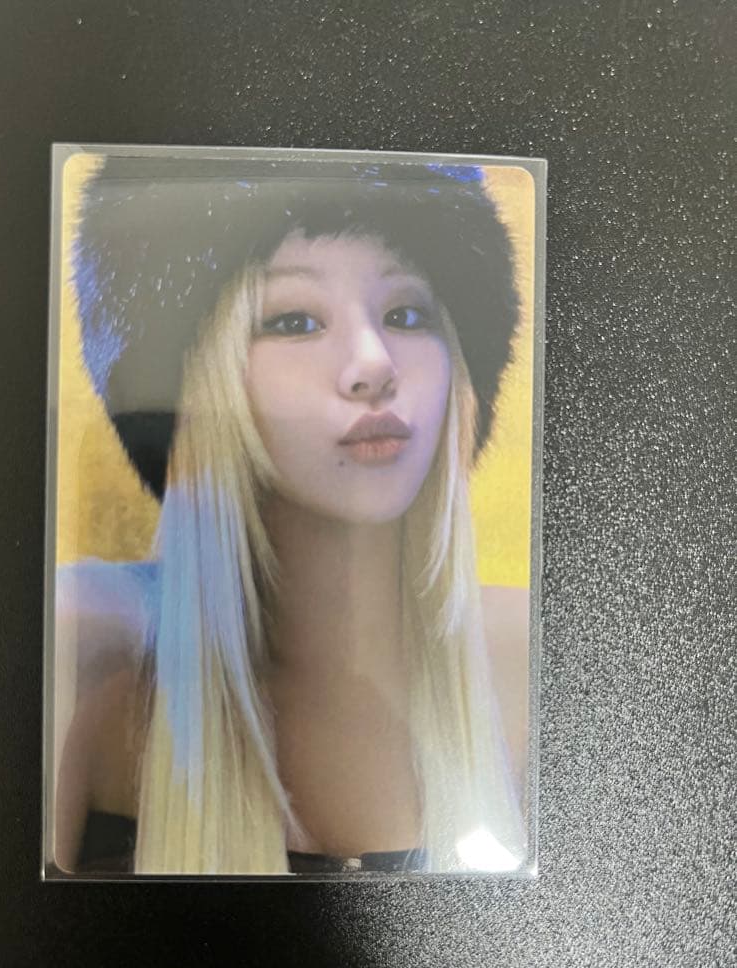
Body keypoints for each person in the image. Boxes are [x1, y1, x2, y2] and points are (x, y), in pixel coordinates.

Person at [52, 154, 530, 875]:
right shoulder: (90, 655)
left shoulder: (539, 661)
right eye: (295, 320)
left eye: (406, 314)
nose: (373, 364)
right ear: (197, 386)